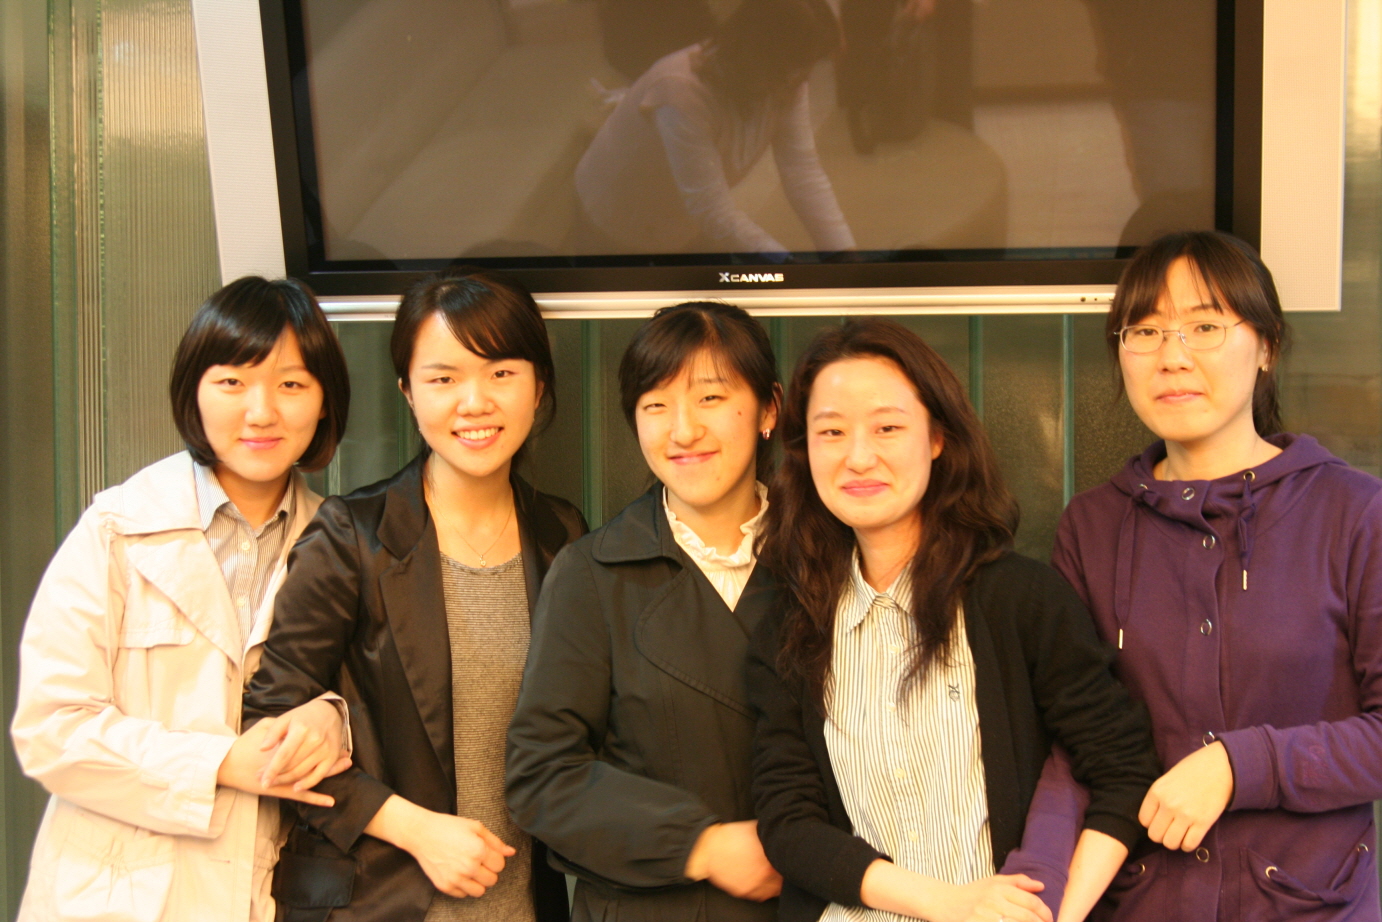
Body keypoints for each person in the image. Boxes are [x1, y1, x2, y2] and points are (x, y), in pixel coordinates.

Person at [748, 319, 1161, 922]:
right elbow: (788, 823)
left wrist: (1054, 913)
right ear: (803, 450)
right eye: (831, 431)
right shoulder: (791, 623)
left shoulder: (1020, 600)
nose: (858, 457)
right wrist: (948, 903)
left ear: (938, 437)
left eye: (887, 428)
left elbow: (1123, 769)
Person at [1035, 230, 1382, 920]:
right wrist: (1044, 894)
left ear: (1267, 346)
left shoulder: (1355, 512)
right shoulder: (1090, 527)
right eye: (1145, 331)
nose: (1172, 356)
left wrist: (1238, 764)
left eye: (1204, 326)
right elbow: (1075, 745)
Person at [243, 267, 586, 922]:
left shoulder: (561, 534)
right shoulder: (351, 535)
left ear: (539, 385)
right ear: (407, 390)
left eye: (501, 373)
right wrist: (415, 829)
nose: (474, 402)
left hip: (522, 906)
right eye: (443, 379)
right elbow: (268, 725)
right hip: (378, 903)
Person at [11, 276, 354, 922]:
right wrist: (219, 762)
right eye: (233, 382)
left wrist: (332, 720)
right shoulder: (117, 529)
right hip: (111, 897)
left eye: (291, 384)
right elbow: (51, 729)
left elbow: (373, 704)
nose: (261, 412)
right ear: (194, 391)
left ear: (324, 402)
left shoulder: (344, 542)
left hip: (263, 893)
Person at [506, 301, 784, 922]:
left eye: (710, 398)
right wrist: (702, 845)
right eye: (656, 405)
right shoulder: (591, 572)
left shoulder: (826, 562)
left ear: (769, 408)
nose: (683, 430)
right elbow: (542, 775)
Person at [573, 0, 856, 258]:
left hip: (682, 220)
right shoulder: (680, 91)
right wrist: (786, 267)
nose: (804, 80)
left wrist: (841, 253)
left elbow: (801, 170)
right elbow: (711, 209)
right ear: (759, 57)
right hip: (616, 221)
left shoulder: (786, 79)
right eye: (798, 68)